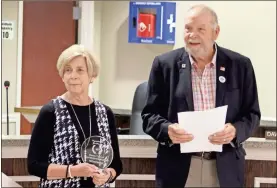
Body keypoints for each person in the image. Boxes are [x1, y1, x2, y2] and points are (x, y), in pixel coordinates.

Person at [141, 4, 261, 188]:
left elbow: (252, 115)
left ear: (216, 32)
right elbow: (149, 116)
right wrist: (168, 130)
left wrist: (235, 131)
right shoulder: (165, 65)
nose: (192, 35)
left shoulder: (240, 65)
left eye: (200, 29)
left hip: (224, 169)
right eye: (188, 29)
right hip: (178, 169)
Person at [27, 44, 123, 188]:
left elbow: (116, 164)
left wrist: (107, 176)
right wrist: (72, 171)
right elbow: (34, 165)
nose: (73, 76)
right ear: (62, 76)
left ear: (92, 76)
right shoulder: (50, 112)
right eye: (68, 70)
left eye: (80, 70)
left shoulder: (105, 113)